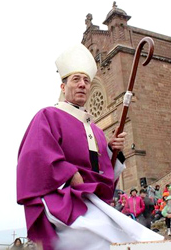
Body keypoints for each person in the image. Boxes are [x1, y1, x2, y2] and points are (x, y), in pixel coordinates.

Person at [17, 43, 163, 250]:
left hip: (91, 202)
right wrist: (68, 172)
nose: (82, 84)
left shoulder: (95, 131)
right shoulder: (48, 116)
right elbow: (34, 156)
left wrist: (112, 152)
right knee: (105, 239)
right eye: (76, 79)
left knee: (136, 238)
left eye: (86, 80)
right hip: (63, 201)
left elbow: (103, 178)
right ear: (63, 87)